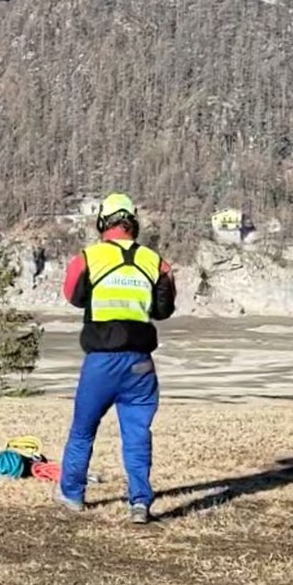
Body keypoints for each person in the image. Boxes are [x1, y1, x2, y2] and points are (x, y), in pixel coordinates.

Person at [54, 193, 176, 524]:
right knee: (137, 433)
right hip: (140, 363)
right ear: (132, 222)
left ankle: (71, 494)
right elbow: (164, 310)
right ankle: (140, 503)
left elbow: (74, 297)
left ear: (102, 222)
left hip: (102, 361)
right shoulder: (156, 262)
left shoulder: (88, 258)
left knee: (83, 430)